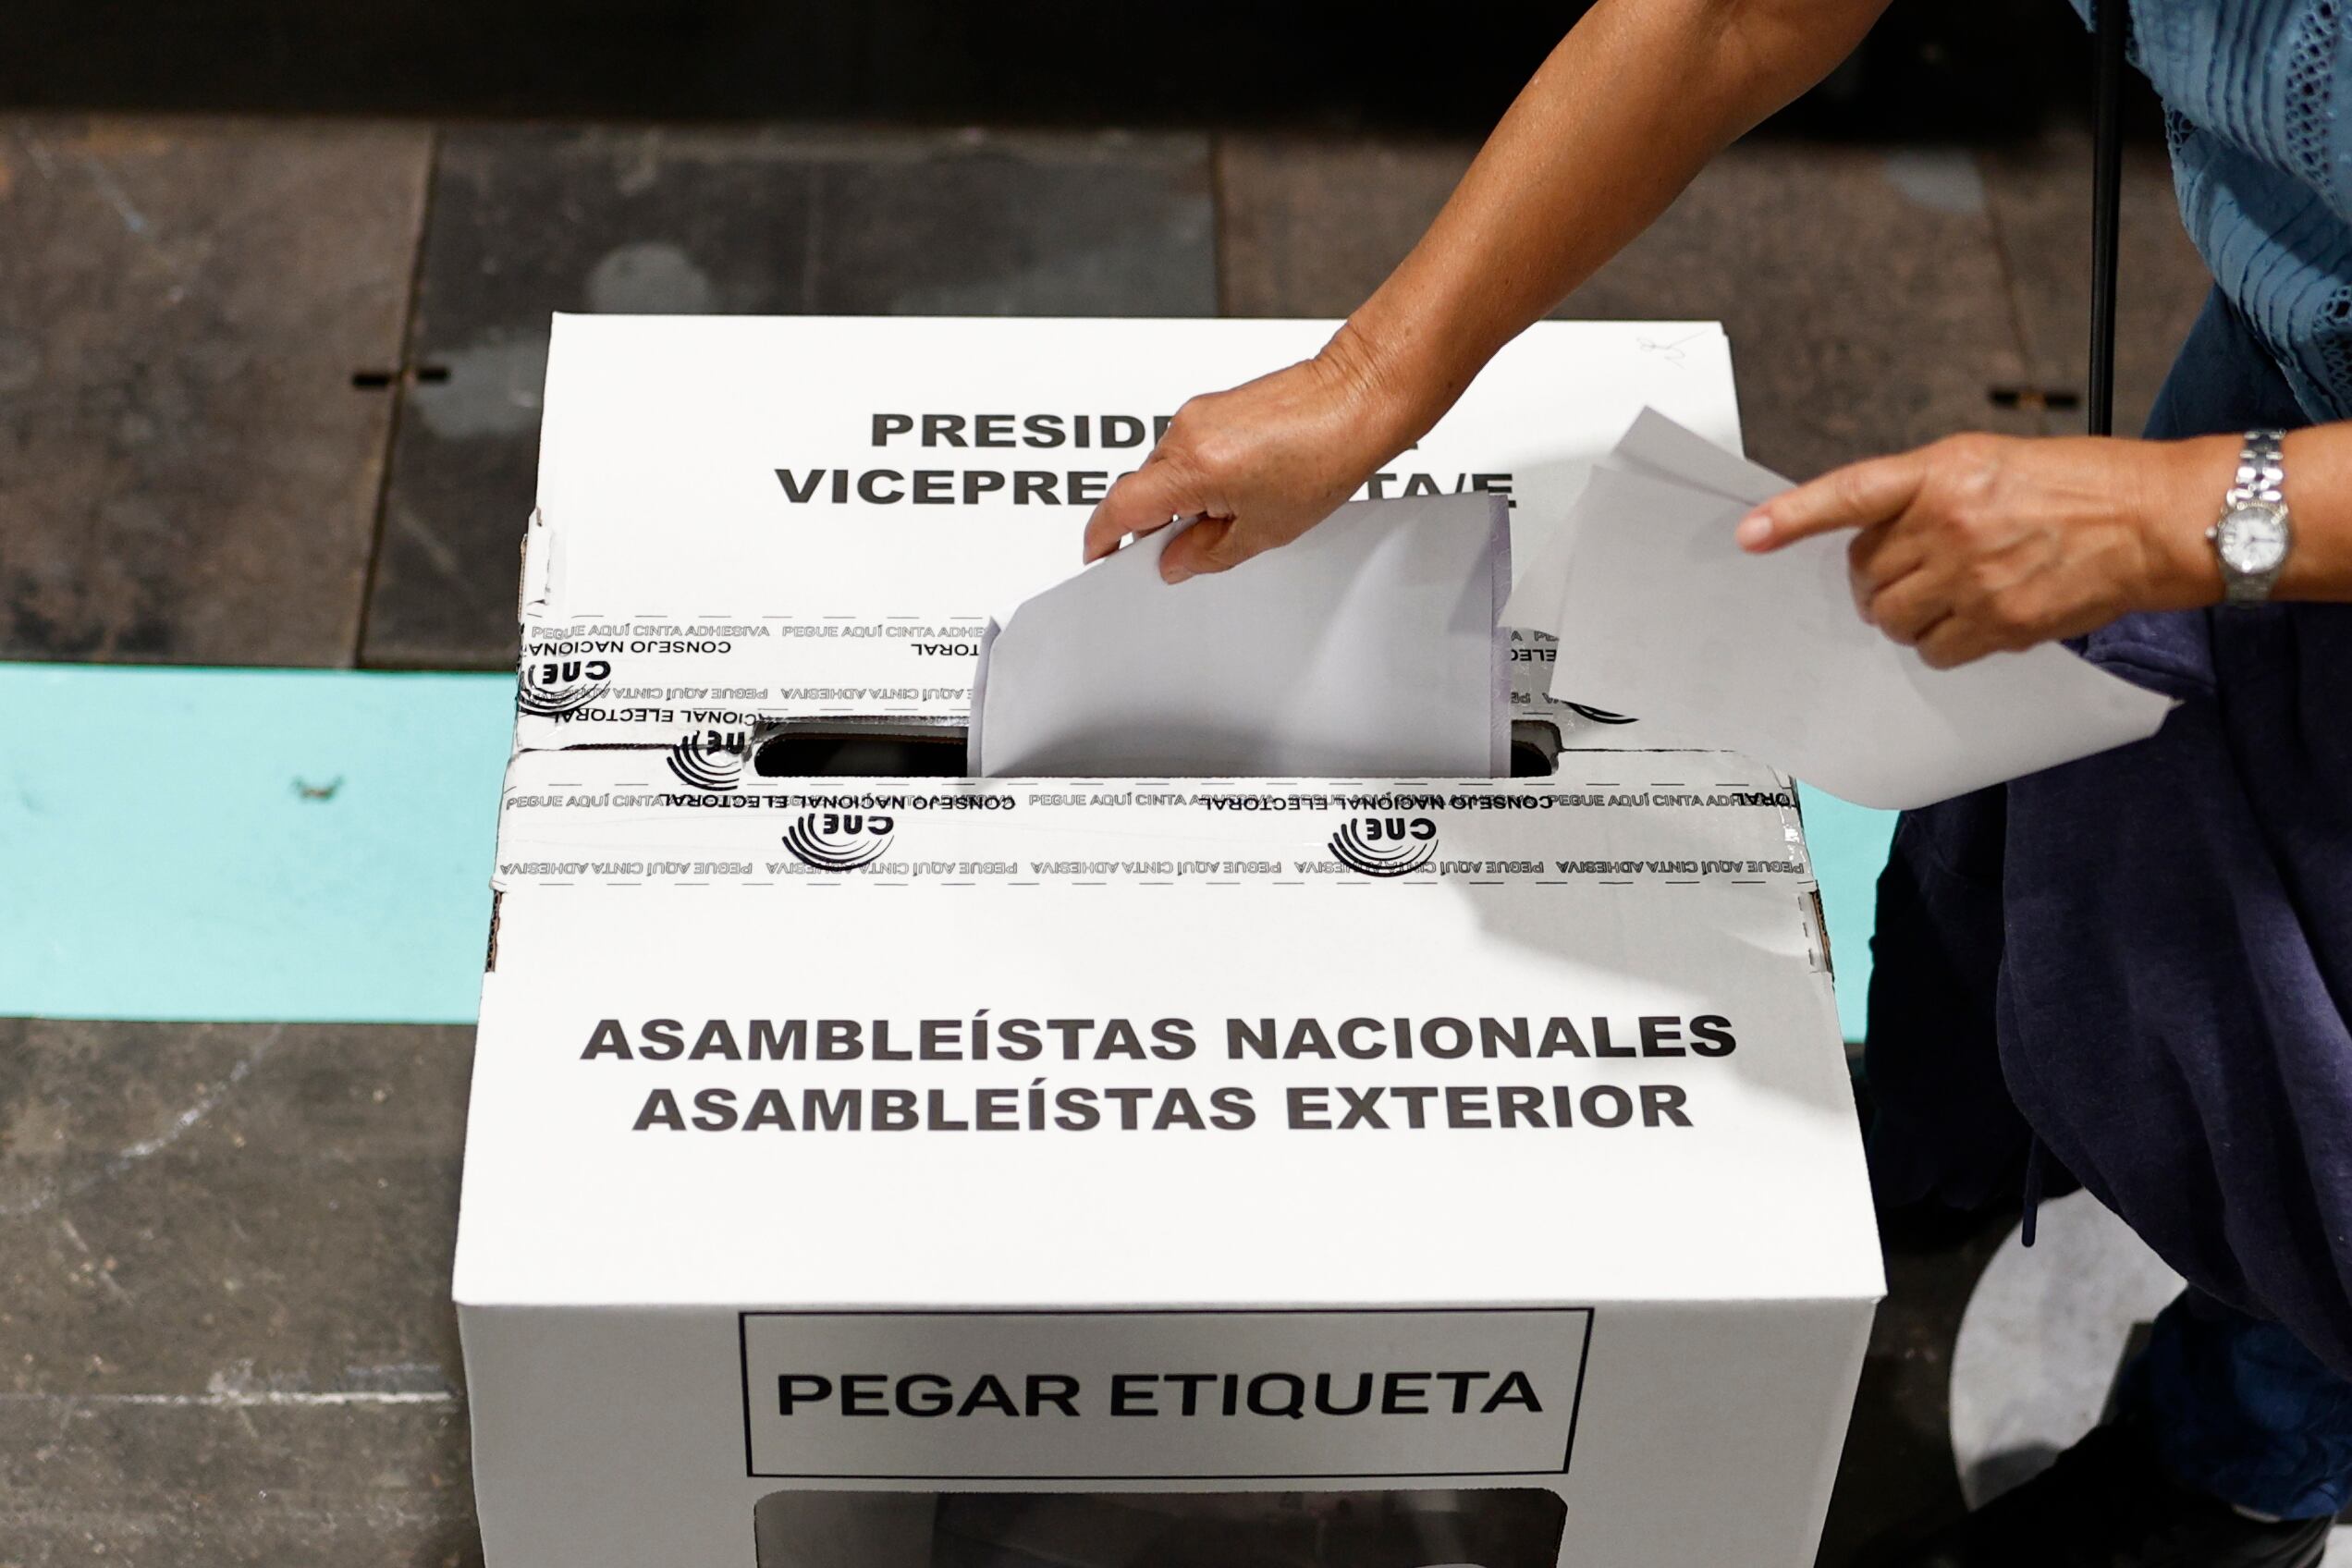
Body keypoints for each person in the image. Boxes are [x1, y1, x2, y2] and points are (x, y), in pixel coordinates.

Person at [1082, 3, 2352, 1565]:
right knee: (2047, 804)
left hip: (2295, 484)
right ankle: (1924, 1156)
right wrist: (1373, 372)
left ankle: (2240, 1471)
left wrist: (2213, 513)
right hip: (2291, 347)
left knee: (2319, 1090)